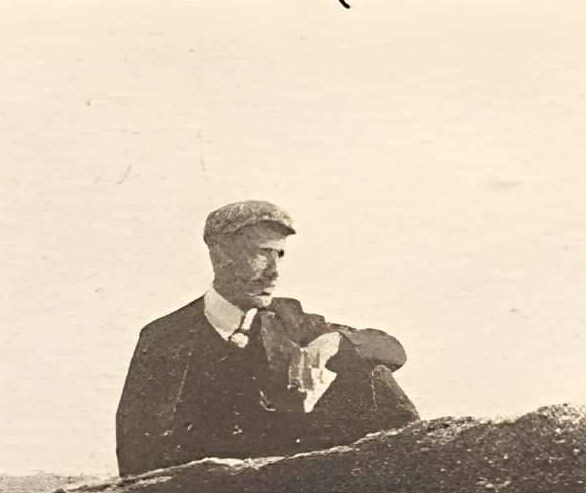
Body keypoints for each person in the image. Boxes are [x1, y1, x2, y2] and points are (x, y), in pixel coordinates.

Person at [114, 200, 419, 477]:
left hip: (288, 478)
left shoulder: (288, 316)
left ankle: (415, 476)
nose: (274, 272)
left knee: (370, 372)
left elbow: (391, 348)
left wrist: (335, 342)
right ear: (220, 255)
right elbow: (137, 450)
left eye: (280, 255)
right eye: (261, 254)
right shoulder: (167, 337)